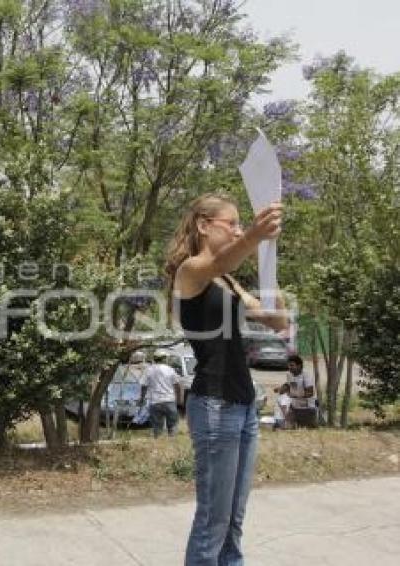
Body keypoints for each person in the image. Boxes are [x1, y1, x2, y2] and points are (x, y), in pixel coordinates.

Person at [165, 193, 288, 566]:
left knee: (233, 520)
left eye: (240, 224)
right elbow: (220, 258)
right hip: (215, 407)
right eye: (230, 224)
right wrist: (254, 237)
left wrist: (270, 267)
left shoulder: (228, 280)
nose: (237, 231)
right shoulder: (190, 272)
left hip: (244, 406)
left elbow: (277, 321)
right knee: (212, 521)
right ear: (204, 226)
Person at [139, 350, 181, 438]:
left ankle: (158, 443)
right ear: (164, 359)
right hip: (169, 401)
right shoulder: (170, 370)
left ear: (154, 359)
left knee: (157, 428)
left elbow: (143, 386)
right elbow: (177, 385)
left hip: (155, 402)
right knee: (173, 426)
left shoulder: (149, 370)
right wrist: (179, 399)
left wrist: (142, 399)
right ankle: (172, 444)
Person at [286, 354, 318, 427]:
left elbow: (310, 392)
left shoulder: (306, 375)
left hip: (308, 408)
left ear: (299, 366)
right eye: (289, 365)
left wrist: (296, 395)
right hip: (295, 407)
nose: (289, 368)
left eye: (292, 365)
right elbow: (293, 390)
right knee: (288, 427)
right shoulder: (290, 375)